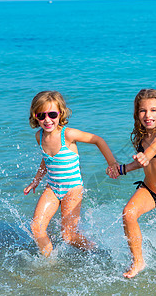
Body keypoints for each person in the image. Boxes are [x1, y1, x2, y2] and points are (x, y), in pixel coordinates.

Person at [24, 91, 119, 257]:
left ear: (60, 113)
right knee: (36, 228)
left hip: (72, 189)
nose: (47, 120)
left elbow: (98, 140)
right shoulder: (39, 136)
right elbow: (46, 159)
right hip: (52, 188)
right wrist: (36, 180)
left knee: (68, 236)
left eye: (52, 114)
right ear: (35, 116)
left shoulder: (67, 134)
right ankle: (50, 263)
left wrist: (112, 163)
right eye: (41, 115)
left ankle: (97, 252)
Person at [107, 89, 156, 278]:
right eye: (143, 111)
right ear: (137, 113)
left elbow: (155, 148)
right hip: (149, 189)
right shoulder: (143, 137)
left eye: (153, 110)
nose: (148, 115)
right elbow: (142, 161)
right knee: (128, 213)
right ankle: (138, 261)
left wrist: (146, 155)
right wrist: (121, 169)